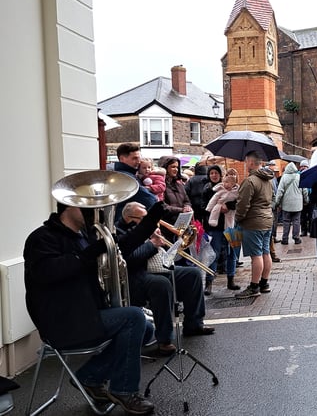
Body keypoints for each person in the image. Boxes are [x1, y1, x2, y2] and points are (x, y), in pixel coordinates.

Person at [24, 201, 163, 414]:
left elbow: (121, 247)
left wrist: (148, 223)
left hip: (86, 314)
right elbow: (47, 273)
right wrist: (87, 255)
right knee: (134, 317)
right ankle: (124, 390)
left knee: (146, 328)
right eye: (88, 208)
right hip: (63, 321)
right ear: (70, 207)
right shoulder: (42, 238)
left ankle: (90, 377)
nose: (94, 214)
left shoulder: (84, 235)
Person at [116, 202, 215, 355]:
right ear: (130, 218)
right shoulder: (120, 232)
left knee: (192, 274)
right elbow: (130, 259)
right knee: (161, 284)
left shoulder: (145, 229)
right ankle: (164, 339)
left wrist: (166, 245)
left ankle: (194, 323)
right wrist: (152, 244)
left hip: (158, 268)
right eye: (144, 218)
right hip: (136, 275)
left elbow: (165, 256)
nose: (149, 222)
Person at [234, 151, 275, 298]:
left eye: (246, 161)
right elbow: (273, 199)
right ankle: (264, 283)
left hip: (253, 222)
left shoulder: (250, 181)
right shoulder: (269, 179)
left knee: (256, 255)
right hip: (267, 219)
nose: (246, 164)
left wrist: (238, 218)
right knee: (266, 252)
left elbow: (243, 204)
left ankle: (254, 286)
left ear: (251, 163)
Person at [202, 165, 241, 291]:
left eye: (216, 173)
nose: (214, 175)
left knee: (233, 253)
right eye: (211, 173)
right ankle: (209, 283)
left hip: (233, 225)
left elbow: (239, 203)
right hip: (215, 227)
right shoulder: (209, 189)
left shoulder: (234, 188)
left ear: (221, 175)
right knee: (214, 254)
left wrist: (228, 206)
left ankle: (231, 279)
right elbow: (203, 206)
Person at [112, 142, 157, 219]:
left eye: (139, 158)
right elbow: (149, 200)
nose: (138, 161)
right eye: (134, 158)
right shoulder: (126, 177)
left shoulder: (130, 174)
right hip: (128, 221)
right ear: (122, 159)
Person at [275, 162, 306, 245]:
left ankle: (285, 239)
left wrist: (277, 202)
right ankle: (296, 238)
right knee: (296, 221)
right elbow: (305, 190)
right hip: (298, 204)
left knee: (286, 221)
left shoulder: (284, 177)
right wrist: (306, 200)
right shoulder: (299, 177)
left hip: (286, 204)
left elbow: (280, 191)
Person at [159, 156, 192, 226]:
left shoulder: (179, 184)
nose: (176, 169)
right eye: (173, 167)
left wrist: (187, 207)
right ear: (165, 168)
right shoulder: (160, 185)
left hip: (181, 222)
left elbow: (186, 200)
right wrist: (181, 210)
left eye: (177, 167)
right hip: (167, 224)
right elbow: (162, 206)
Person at [298, 160, 312, 236]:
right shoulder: (298, 175)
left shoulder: (311, 175)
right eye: (302, 166)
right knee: (302, 216)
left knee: (310, 215)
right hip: (301, 198)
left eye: (305, 166)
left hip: (310, 197)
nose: (303, 168)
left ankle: (310, 229)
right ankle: (304, 231)